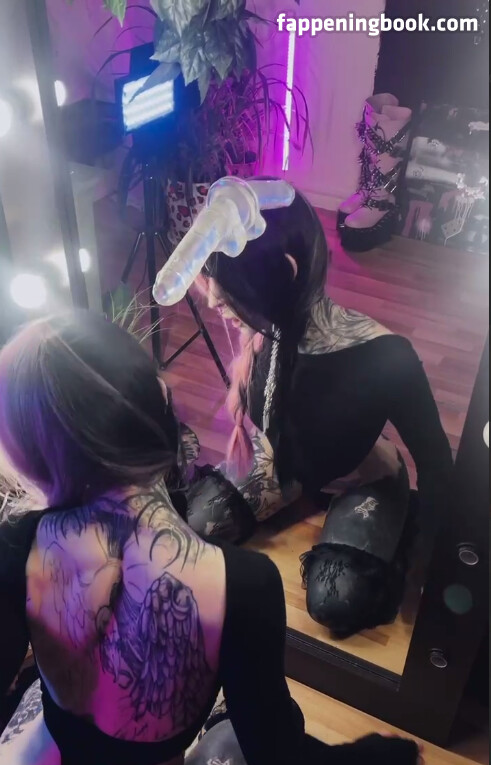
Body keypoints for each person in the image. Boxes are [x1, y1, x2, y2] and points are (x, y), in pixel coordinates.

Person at [0, 312, 423, 765]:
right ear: (161, 404)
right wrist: (368, 761)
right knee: (262, 745)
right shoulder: (241, 584)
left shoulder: (17, 540)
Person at [187, 184, 453, 636]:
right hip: (285, 460)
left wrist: (431, 564)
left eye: (225, 285)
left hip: (362, 472)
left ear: (284, 273)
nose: (212, 300)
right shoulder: (265, 334)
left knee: (336, 599)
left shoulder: (387, 357)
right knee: (196, 522)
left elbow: (436, 463)